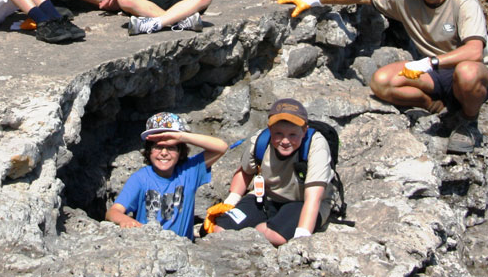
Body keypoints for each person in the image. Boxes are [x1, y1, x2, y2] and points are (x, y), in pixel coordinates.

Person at [276, 0, 488, 154]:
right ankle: (439, 108)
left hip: (471, 72)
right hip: (435, 72)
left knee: (467, 73)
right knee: (381, 82)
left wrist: (428, 63)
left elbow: (475, 51)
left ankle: (468, 122)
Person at [211, 98, 333, 245]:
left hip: (302, 202)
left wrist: (302, 237)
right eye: (279, 134)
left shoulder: (316, 145)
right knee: (221, 230)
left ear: (304, 130)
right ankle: (262, 226)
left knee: (276, 237)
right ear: (270, 129)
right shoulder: (260, 141)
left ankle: (263, 228)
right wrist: (231, 202)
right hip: (265, 198)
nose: (285, 141)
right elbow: (245, 172)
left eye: (292, 134)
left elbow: (314, 197)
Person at [106, 112, 228, 240]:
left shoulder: (189, 171)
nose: (164, 153)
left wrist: (181, 137)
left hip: (183, 248)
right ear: (149, 151)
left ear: (180, 152)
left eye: (170, 147)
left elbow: (221, 147)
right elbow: (113, 212)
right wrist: (125, 220)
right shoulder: (140, 178)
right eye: (158, 147)